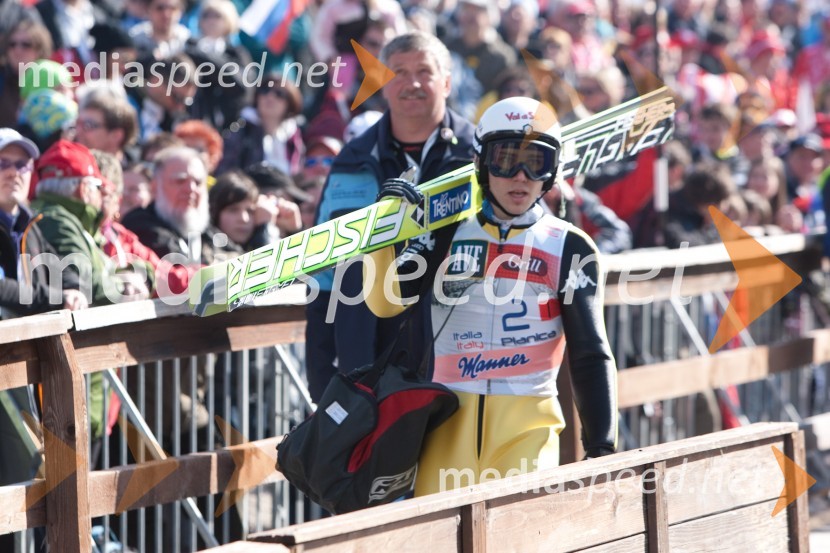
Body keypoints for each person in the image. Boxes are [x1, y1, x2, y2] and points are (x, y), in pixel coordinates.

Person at [363, 97, 617, 494]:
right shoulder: (447, 232)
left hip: (527, 427)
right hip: (448, 423)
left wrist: (601, 446)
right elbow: (386, 302)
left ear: (553, 172)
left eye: (536, 162)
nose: (520, 177)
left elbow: (589, 352)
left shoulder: (570, 246)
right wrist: (381, 234)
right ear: (481, 162)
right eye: (505, 159)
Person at [307, 31, 476, 403]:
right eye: (398, 72)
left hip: (462, 358)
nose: (412, 83)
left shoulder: (479, 154)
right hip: (370, 364)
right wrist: (321, 380)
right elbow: (323, 273)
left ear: (446, 83)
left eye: (424, 71)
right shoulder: (353, 157)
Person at [0, 128, 85, 317]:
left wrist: (74, 291)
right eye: (2, 163)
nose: (13, 172)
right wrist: (57, 299)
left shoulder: (28, 223)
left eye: (21, 165)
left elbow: (61, 269)